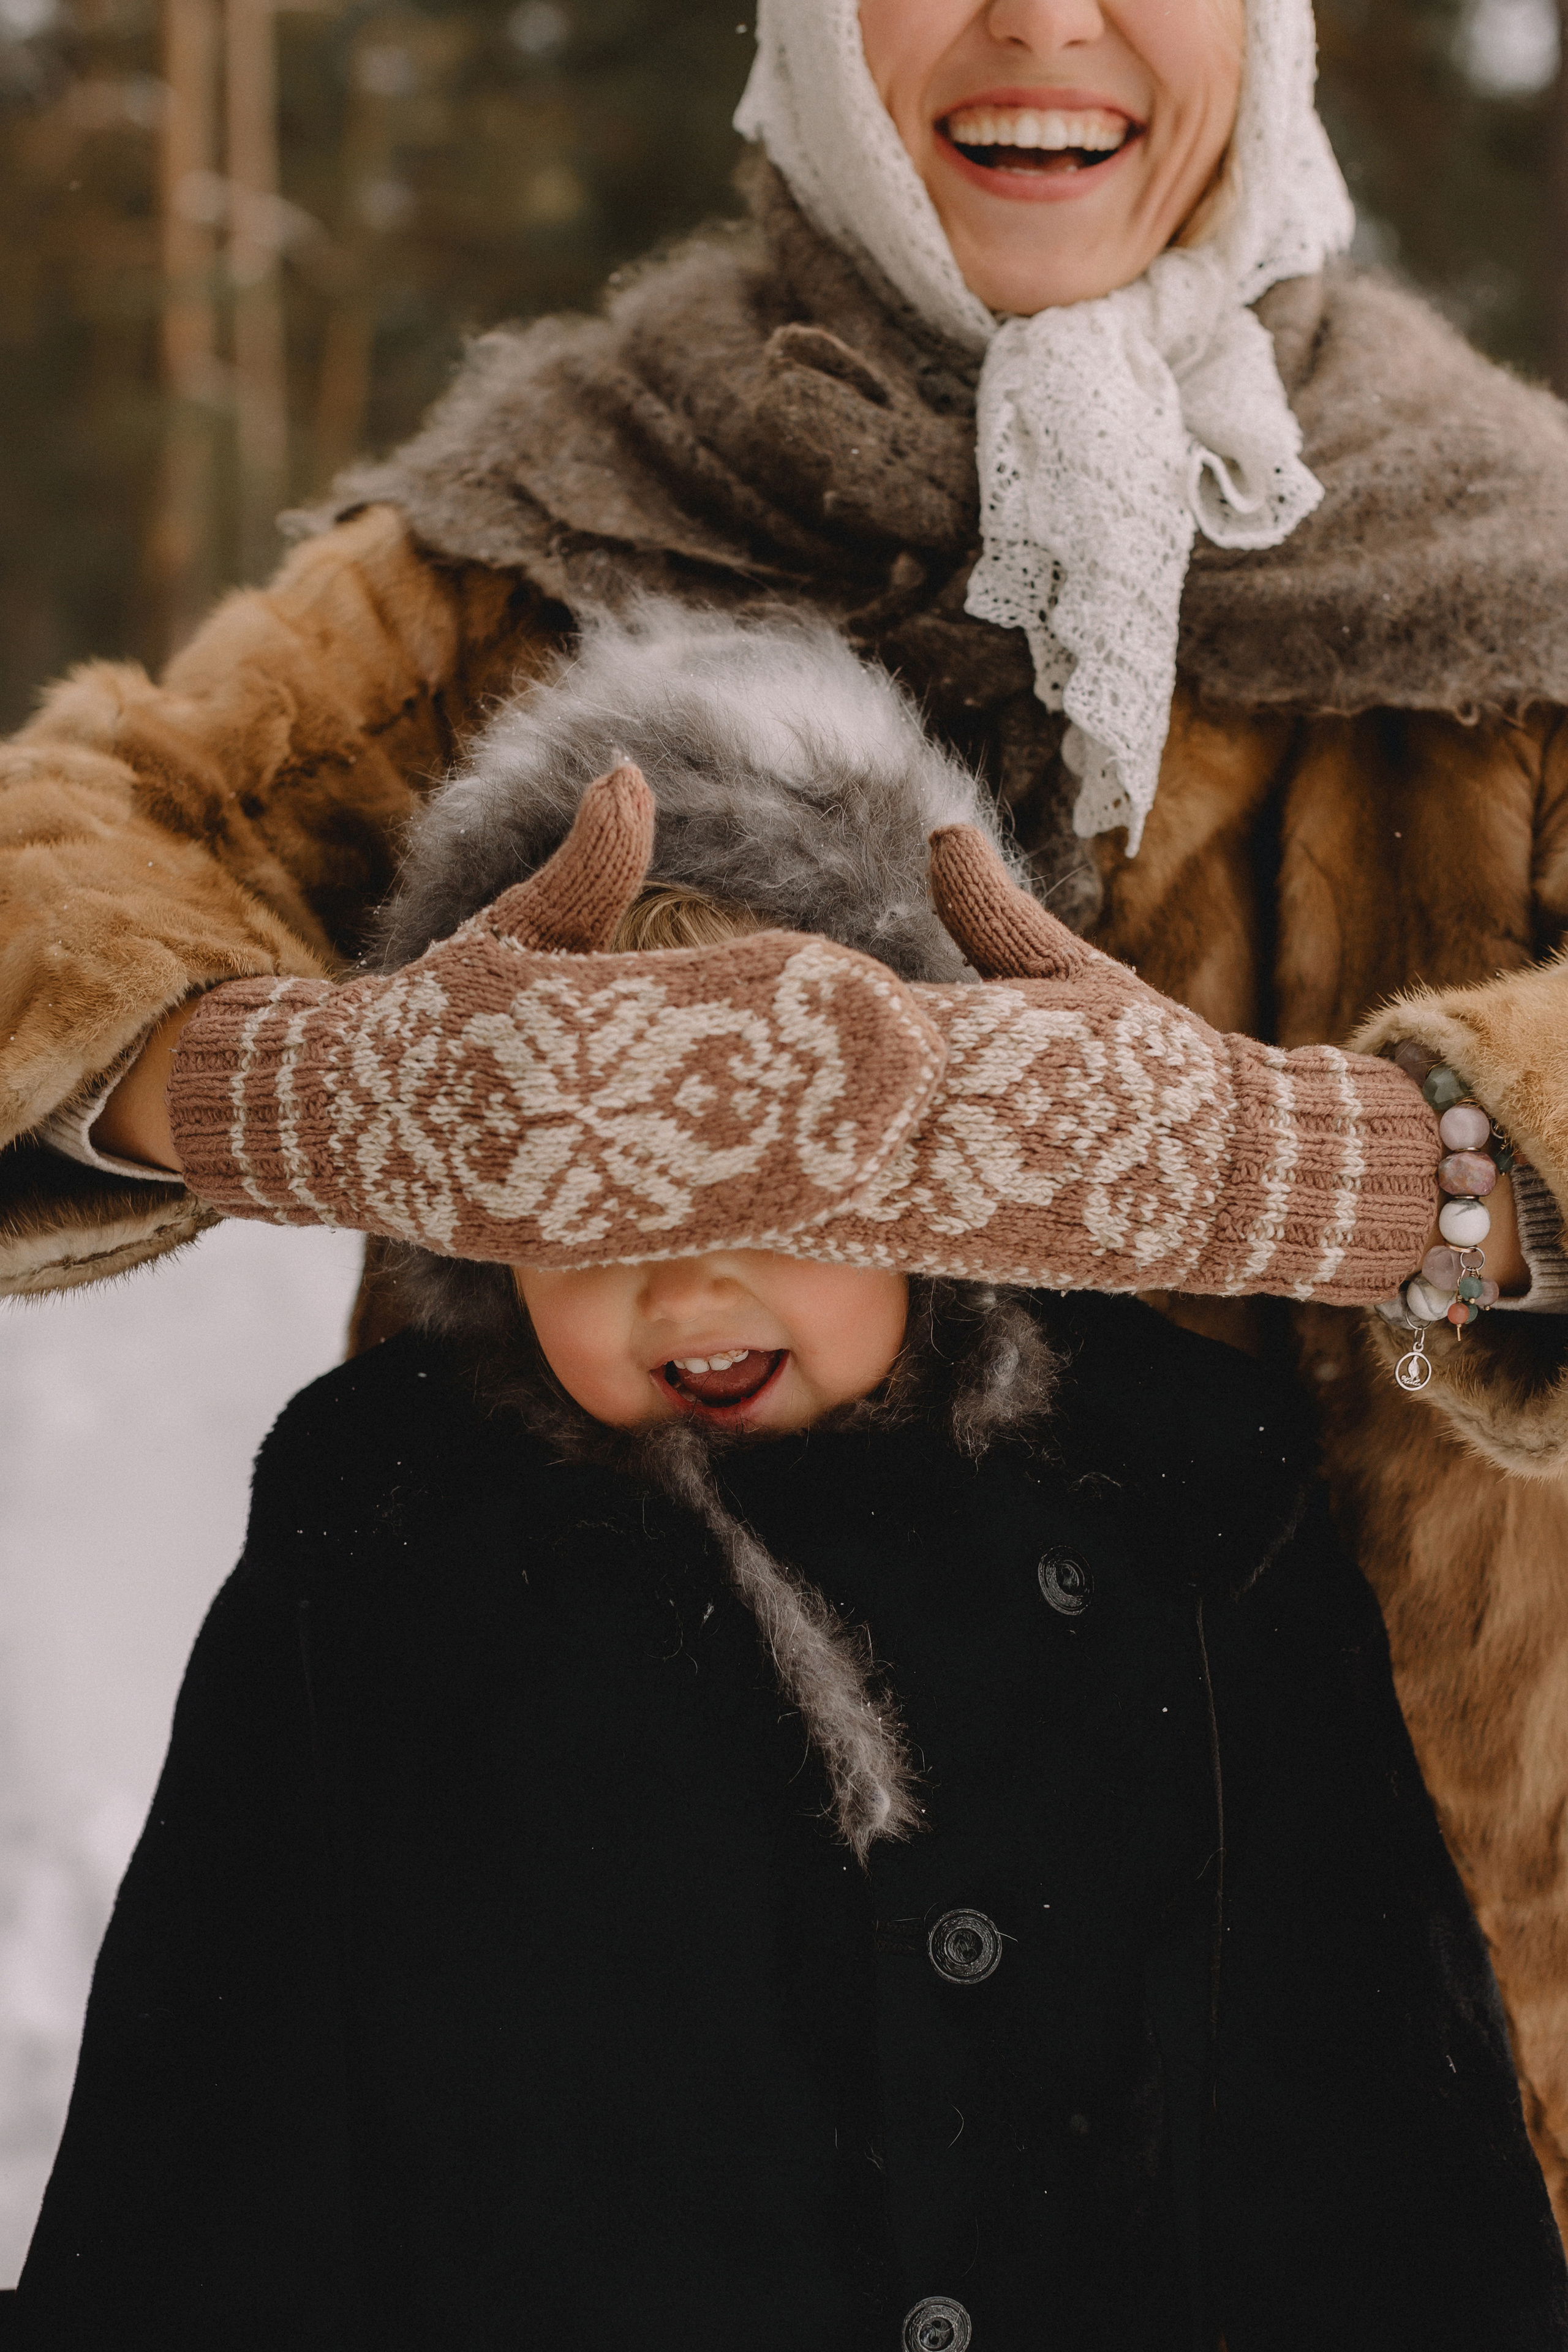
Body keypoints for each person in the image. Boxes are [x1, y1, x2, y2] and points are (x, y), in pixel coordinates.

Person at [4, 0, 1568, 2230]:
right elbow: (71, 840)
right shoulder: (557, 511)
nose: (1043, 22)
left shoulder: (1516, 557)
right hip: (618, 2083)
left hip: (1354, 2107)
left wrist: (1375, 1175)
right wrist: (289, 1088)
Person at [7, 621, 1565, 2349]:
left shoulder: (1187, 1489)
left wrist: (1333, 1168)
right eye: (587, 1208)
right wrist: (264, 1084)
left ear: (947, 1176)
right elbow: (213, 2145)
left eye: (774, 1196)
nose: (683, 1288)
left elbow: (1378, 2150)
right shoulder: (382, 1529)